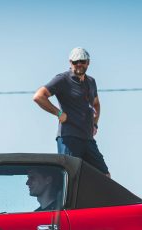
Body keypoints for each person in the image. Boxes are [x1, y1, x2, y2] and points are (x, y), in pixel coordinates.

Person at [34, 47, 111, 177]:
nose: (79, 64)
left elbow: (96, 104)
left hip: (88, 139)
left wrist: (95, 124)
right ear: (70, 62)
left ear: (88, 63)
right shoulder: (62, 79)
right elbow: (38, 96)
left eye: (82, 61)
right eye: (75, 62)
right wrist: (58, 113)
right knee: (70, 177)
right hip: (69, 138)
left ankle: (94, 198)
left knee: (104, 176)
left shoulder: (91, 82)